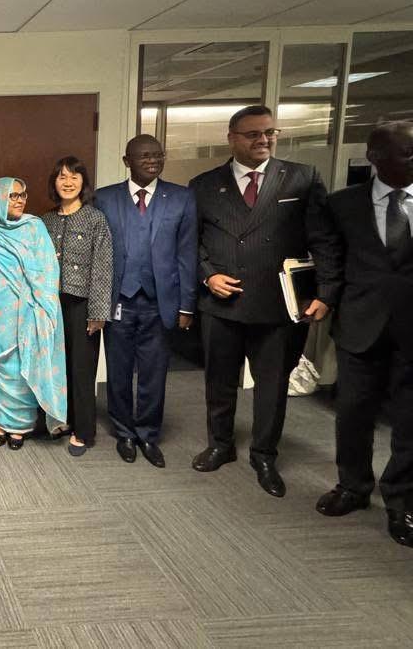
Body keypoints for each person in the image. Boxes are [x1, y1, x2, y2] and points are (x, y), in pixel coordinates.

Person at [189, 105, 340, 497]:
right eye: (253, 134)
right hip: (221, 302)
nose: (264, 140)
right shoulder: (204, 184)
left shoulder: (302, 178)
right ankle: (220, 444)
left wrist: (325, 292)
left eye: (270, 132)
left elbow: (323, 239)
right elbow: (191, 242)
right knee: (219, 381)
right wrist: (208, 274)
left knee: (272, 386)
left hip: (278, 305)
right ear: (232, 139)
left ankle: (264, 454)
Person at [316, 121, 413, 548]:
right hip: (360, 324)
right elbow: (331, 260)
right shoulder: (342, 204)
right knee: (353, 412)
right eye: (407, 152)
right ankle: (353, 486)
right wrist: (324, 299)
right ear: (375, 157)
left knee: (410, 421)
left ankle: (402, 500)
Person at [94, 135, 197, 468]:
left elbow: (187, 254)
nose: (152, 161)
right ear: (127, 161)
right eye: (144, 156)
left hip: (160, 302)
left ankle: (148, 434)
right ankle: (124, 432)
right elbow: (98, 253)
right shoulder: (105, 198)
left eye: (157, 155)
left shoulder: (181, 198)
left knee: (154, 373)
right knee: (119, 371)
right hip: (118, 300)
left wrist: (186, 305)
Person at [0, 178, 67, 449]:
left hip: (27, 315)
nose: (20, 200)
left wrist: (40, 304)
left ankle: (19, 426)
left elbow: (48, 270)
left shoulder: (34, 228)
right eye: (13, 196)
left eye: (23, 195)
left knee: (21, 369)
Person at [41, 157, 112, 457]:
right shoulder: (45, 220)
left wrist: (98, 312)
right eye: (62, 177)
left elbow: (103, 267)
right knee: (56, 366)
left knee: (82, 369)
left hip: (82, 305)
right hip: (50, 304)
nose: (68, 182)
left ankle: (83, 431)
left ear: (83, 183)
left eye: (74, 177)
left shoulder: (95, 219)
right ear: (54, 182)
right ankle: (61, 420)